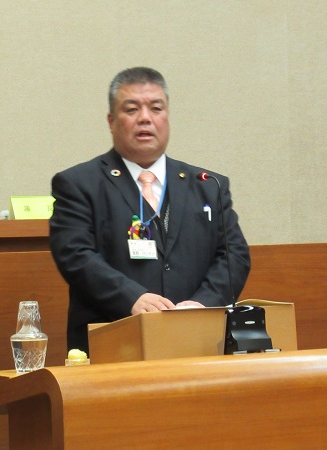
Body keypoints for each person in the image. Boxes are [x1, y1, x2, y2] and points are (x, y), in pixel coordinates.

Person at [49, 67, 251, 354]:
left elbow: (234, 255)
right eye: (132, 109)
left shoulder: (208, 185)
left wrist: (202, 304)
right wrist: (132, 298)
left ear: (167, 116)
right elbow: (75, 255)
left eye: (156, 108)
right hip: (114, 341)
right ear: (111, 121)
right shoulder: (80, 184)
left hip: (198, 341)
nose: (145, 118)